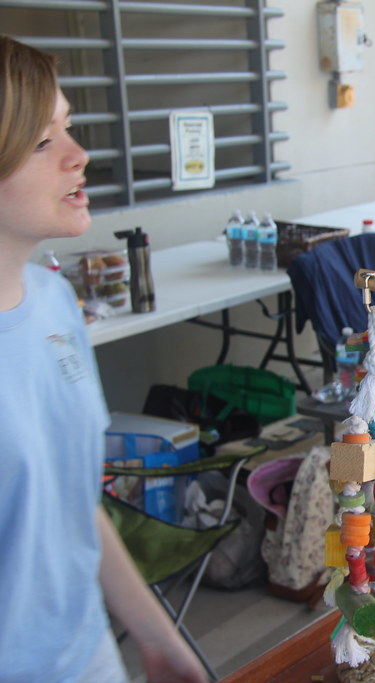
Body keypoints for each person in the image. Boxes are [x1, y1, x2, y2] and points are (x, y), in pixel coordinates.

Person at [0, 35, 208, 682]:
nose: (78, 155)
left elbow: (72, 503)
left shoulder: (56, 302)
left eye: (69, 126)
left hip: (88, 653)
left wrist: (157, 635)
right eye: (42, 143)